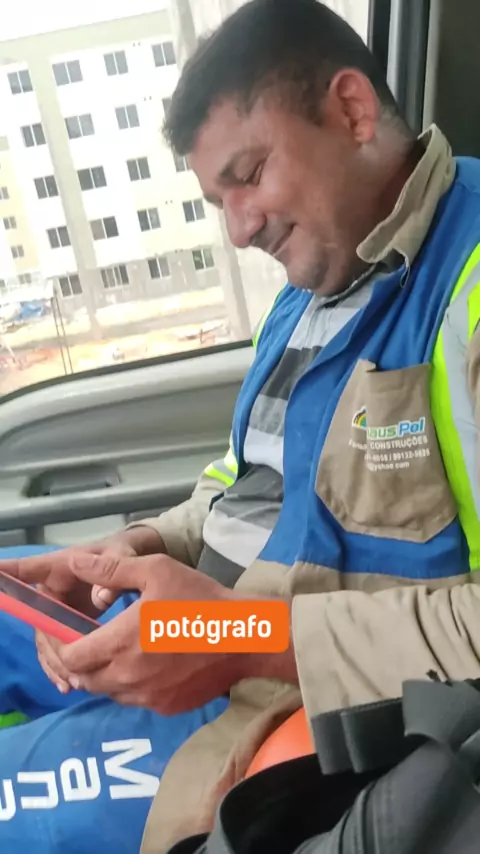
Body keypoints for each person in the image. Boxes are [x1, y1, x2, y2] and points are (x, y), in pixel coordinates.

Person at [0, 0, 480, 851]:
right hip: (197, 631)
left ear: (352, 110)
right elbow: (240, 487)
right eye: (219, 199)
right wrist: (134, 549)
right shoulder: (306, 296)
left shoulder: (466, 289)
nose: (240, 227)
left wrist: (229, 634)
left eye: (249, 174)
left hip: (276, 700)